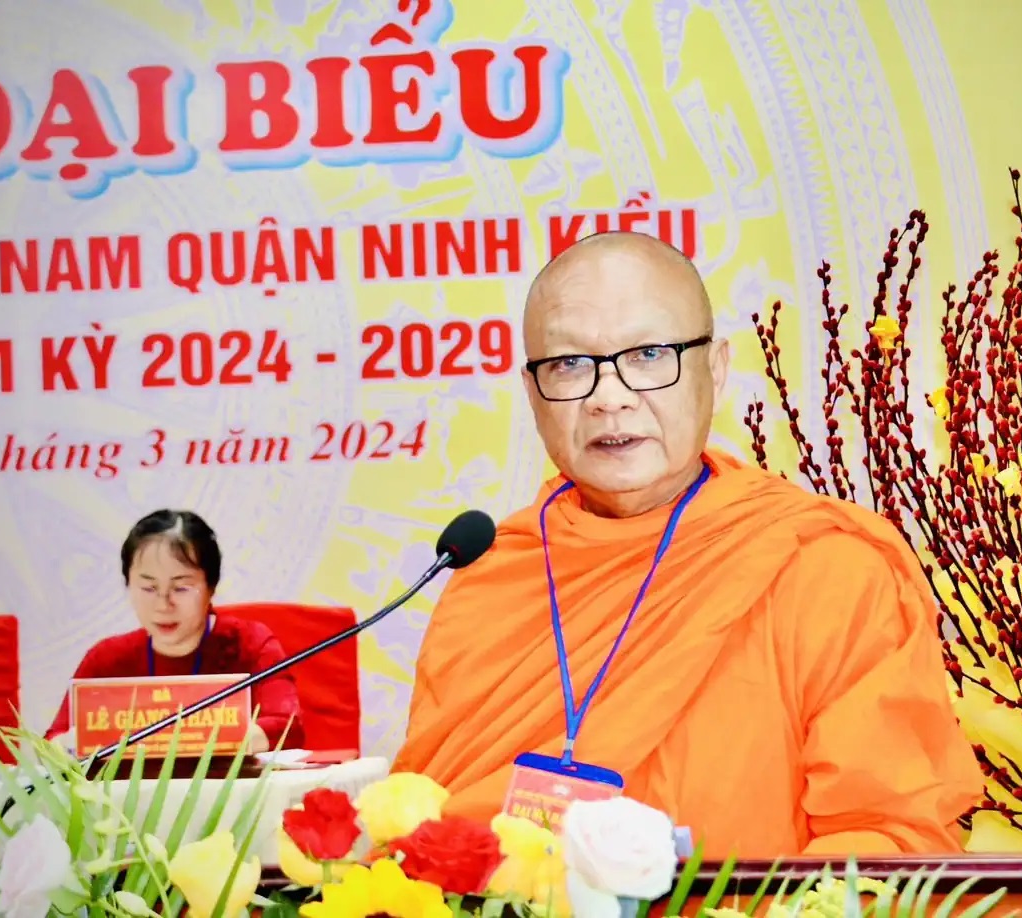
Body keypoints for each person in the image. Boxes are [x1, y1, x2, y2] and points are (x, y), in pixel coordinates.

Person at [392, 231, 983, 857]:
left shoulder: (824, 568)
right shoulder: (492, 578)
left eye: (648, 354)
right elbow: (427, 832)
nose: (608, 398)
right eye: (568, 365)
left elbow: (888, 836)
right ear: (532, 392)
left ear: (716, 370)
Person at [46, 509, 303, 754]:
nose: (163, 604)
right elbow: (53, 743)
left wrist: (177, 741)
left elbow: (287, 728)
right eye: (148, 588)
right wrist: (69, 745)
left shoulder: (251, 644)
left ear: (211, 587)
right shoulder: (107, 658)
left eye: (181, 588)